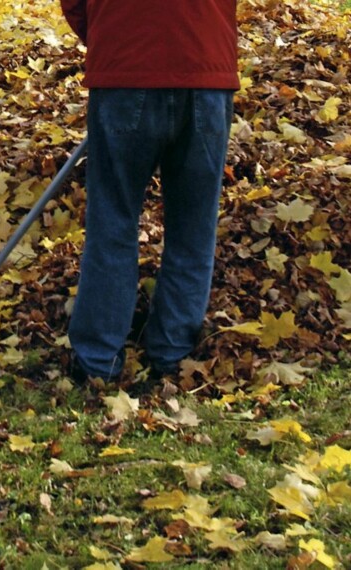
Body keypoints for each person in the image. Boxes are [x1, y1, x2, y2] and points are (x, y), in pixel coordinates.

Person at [59, 0, 240, 382]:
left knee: (113, 222)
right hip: (205, 70)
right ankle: (171, 355)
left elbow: (74, 3)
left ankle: (97, 361)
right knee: (193, 226)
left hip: (124, 70)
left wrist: (113, 44)